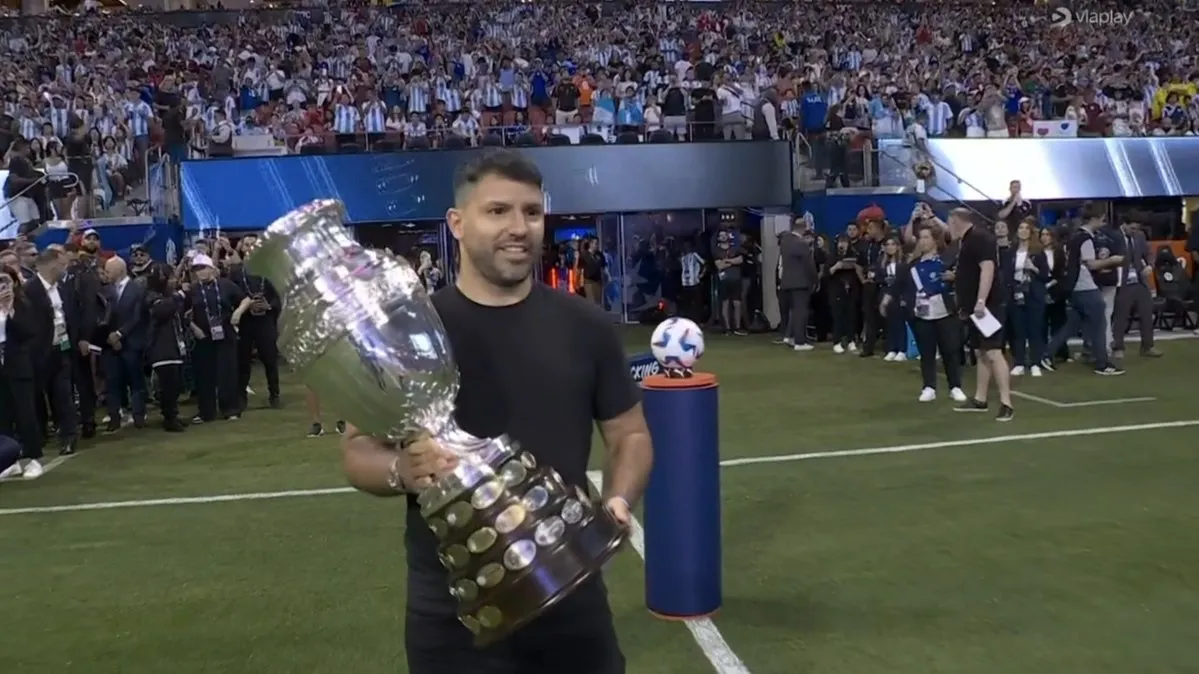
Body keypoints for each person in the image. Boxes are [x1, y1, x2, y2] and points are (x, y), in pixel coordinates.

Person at [339, 149, 651, 674]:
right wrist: (401, 470)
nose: (519, 228)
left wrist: (619, 501)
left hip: (568, 591)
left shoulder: (586, 325)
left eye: (531, 212)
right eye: (498, 211)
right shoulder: (410, 331)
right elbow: (357, 449)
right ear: (457, 224)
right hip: (455, 610)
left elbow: (630, 434)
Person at [882, 226, 967, 403]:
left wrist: (955, 278)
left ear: (935, 240)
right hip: (922, 314)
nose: (923, 241)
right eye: (921, 238)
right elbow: (898, 284)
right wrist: (886, 299)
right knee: (926, 352)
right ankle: (929, 387)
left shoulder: (946, 261)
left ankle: (955, 386)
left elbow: (962, 277)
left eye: (927, 237)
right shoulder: (912, 266)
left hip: (945, 313)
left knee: (950, 351)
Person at [1041, 202, 1126, 376]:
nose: (1103, 223)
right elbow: (1091, 264)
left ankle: (1046, 354)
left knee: (1071, 325)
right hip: (1085, 286)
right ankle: (1102, 364)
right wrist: (1114, 260)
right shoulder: (1085, 239)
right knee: (1099, 323)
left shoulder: (1073, 237)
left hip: (1074, 287)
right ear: (1094, 218)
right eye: (1102, 219)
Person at [946, 208, 1014, 421]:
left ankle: (1006, 404)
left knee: (993, 351)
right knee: (980, 352)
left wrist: (981, 301)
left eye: (949, 223)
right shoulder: (968, 239)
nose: (948, 228)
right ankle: (980, 399)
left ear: (956, 221)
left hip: (988, 305)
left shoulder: (980, 238)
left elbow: (988, 269)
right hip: (976, 307)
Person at [23, 247, 82, 455]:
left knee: (63, 395)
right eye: (62, 264)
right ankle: (38, 436)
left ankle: (69, 436)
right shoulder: (30, 290)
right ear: (51, 264)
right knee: (37, 397)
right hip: (39, 353)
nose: (64, 268)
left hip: (62, 349)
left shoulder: (64, 289)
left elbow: (72, 316)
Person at [186, 254, 252, 423]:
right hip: (203, 335)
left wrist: (237, 312)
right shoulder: (192, 290)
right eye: (196, 270)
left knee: (227, 371)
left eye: (202, 268)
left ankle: (230, 408)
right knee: (204, 374)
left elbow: (245, 299)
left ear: (211, 269)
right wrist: (194, 328)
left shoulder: (225, 285)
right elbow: (184, 313)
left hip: (225, 332)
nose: (199, 272)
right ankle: (206, 411)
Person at [0, 268, 44, 479]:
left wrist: (10, 312)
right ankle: (10, 460)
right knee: (3, 416)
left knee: (25, 414)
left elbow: (28, 333)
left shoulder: (22, 305)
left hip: (18, 367)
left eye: (5, 282)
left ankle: (34, 458)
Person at [100, 256, 151, 432]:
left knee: (136, 381)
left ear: (119, 270)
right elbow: (102, 317)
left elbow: (137, 316)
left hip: (132, 343)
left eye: (108, 270)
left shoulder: (137, 288)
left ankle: (139, 416)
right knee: (112, 382)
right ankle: (114, 417)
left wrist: (120, 334)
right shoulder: (106, 291)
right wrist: (110, 336)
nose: (105, 274)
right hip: (110, 345)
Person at [1005, 218, 1051, 377]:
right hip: (1016, 294)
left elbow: (1045, 275)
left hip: (1034, 294)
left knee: (1035, 329)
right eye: (1020, 228)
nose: (1023, 230)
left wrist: (1034, 268)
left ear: (1031, 232)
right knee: (1018, 330)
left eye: (1026, 228)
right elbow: (1005, 274)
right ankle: (1019, 362)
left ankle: (1035, 363)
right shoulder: (1011, 252)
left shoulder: (1038, 253)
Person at [145, 263, 187, 432]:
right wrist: (180, 295)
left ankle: (173, 414)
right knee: (167, 385)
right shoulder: (150, 296)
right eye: (170, 278)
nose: (173, 281)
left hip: (174, 345)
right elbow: (162, 311)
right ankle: (169, 417)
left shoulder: (167, 295)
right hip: (160, 347)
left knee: (175, 384)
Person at [777, 216, 817, 351]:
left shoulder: (785, 241)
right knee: (801, 311)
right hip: (801, 281)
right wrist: (815, 280)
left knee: (794, 311)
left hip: (787, 281)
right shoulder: (800, 243)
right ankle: (800, 342)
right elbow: (809, 264)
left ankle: (791, 337)